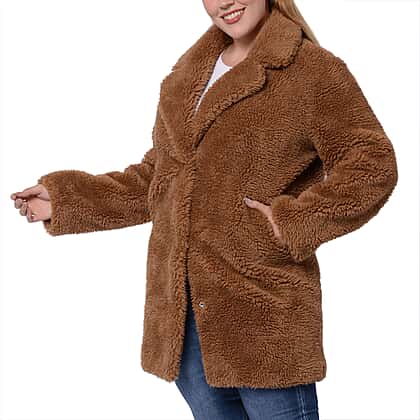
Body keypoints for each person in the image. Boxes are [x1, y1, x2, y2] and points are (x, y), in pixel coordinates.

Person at [10, 0, 398, 419]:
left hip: (261, 311)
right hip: (184, 315)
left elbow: (372, 163)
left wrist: (294, 221)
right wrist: (66, 199)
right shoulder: (186, 76)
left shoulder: (310, 69)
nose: (225, 2)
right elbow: (159, 179)